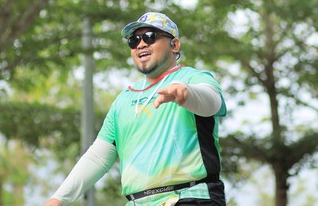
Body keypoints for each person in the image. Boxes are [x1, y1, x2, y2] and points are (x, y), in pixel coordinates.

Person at [44, 11, 227, 206]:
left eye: (150, 37)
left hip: (190, 197)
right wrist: (58, 200)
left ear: (174, 45)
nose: (141, 44)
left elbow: (212, 102)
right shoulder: (123, 100)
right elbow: (98, 157)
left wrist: (188, 94)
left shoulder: (193, 78)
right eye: (134, 40)